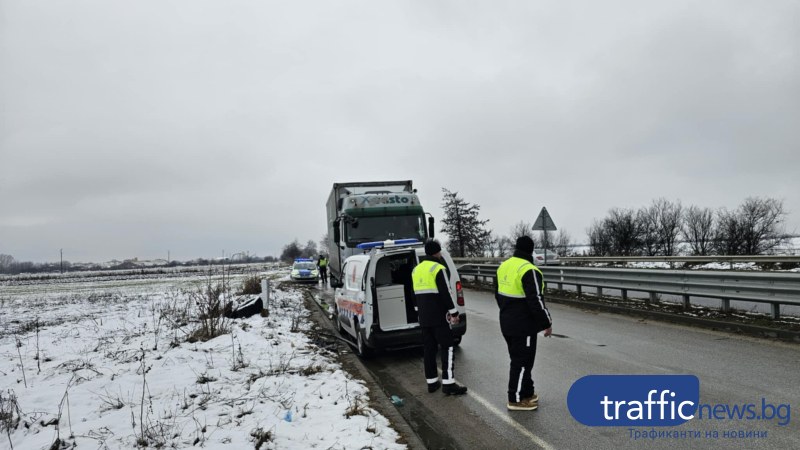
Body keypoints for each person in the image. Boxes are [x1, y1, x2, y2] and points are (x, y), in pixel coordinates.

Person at [495, 236, 552, 411]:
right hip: (523, 326)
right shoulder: (529, 270)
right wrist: (546, 322)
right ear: (531, 250)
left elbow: (497, 294)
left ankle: (527, 392)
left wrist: (507, 312)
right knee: (522, 361)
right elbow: (536, 300)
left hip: (506, 322)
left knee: (519, 359)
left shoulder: (504, 266)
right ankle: (516, 398)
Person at [411, 240, 468, 396]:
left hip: (424, 317)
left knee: (429, 348)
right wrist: (454, 313)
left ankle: (431, 382)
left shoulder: (416, 270)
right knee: (447, 347)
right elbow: (445, 293)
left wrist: (418, 311)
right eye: (440, 252)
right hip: (439, 317)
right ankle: (449, 384)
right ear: (437, 252)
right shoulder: (438, 268)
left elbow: (414, 295)